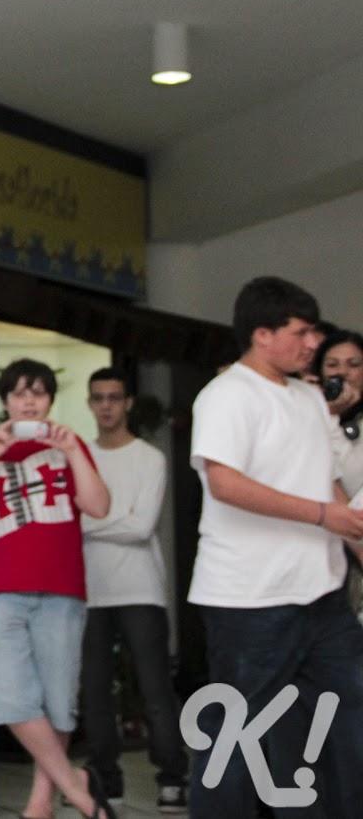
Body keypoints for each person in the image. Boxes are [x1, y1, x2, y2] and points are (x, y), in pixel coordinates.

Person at [186, 278, 363, 816]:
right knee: (236, 733)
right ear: (262, 334)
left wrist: (351, 535)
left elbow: (324, 480)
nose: (315, 343)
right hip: (248, 601)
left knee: (347, 713)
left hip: (323, 596)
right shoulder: (226, 395)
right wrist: (322, 514)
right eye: (301, 331)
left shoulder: (309, 397)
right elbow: (226, 484)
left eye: (314, 330)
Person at [0, 359, 114, 819]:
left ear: (49, 400)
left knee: (58, 700)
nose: (29, 400)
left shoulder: (71, 445)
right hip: (3, 589)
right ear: (5, 400)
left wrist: (73, 452)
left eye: (39, 393)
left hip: (62, 588)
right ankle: (79, 788)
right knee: (5, 687)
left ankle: (41, 801)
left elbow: (98, 505)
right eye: (20, 393)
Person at [79, 368, 188, 815]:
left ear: (126, 404)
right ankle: (106, 780)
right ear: (90, 404)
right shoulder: (78, 456)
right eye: (98, 398)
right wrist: (114, 519)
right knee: (94, 692)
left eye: (114, 397)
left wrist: (88, 524)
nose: (106, 405)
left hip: (141, 588)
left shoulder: (149, 458)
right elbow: (73, 522)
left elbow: (142, 526)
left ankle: (173, 778)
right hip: (87, 590)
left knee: (155, 690)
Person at [316, 330, 363, 496]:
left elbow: (351, 481)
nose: (342, 372)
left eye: (354, 364)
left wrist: (332, 416)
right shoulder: (307, 408)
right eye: (332, 365)